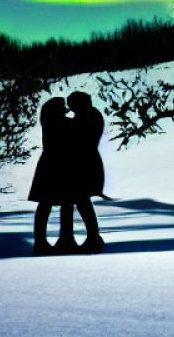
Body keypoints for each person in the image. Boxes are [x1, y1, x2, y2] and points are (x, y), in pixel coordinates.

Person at [28, 97, 78, 256]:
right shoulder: (62, 123)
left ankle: (41, 242)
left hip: (48, 165)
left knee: (46, 204)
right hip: (60, 166)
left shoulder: (49, 122)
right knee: (66, 202)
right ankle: (65, 239)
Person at [66, 91, 105, 254]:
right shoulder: (90, 116)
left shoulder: (88, 118)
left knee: (82, 200)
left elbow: (81, 140)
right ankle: (93, 236)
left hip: (85, 164)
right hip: (86, 163)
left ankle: (93, 237)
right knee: (82, 201)